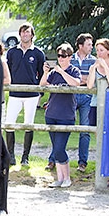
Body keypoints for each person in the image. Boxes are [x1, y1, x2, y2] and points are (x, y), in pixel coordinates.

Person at [40, 43, 81, 188]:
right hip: (51, 114)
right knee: (55, 148)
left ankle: (67, 177)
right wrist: (45, 72)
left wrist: (62, 72)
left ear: (70, 57)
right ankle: (60, 178)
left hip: (66, 115)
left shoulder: (74, 70)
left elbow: (76, 83)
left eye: (63, 56)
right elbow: (42, 84)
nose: (61, 59)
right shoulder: (53, 73)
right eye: (59, 56)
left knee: (59, 148)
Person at [5, 23, 45, 166]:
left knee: (29, 124)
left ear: (32, 35)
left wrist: (40, 93)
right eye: (22, 32)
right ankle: (10, 155)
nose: (25, 35)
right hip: (14, 94)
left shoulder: (38, 53)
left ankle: (25, 157)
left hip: (31, 95)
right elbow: (7, 71)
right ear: (19, 34)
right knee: (9, 124)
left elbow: (42, 74)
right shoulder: (12, 52)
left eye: (27, 32)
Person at [67, 33, 96, 173]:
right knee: (63, 127)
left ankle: (82, 162)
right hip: (70, 97)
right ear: (80, 46)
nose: (91, 47)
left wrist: (78, 79)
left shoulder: (94, 61)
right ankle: (54, 159)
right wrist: (81, 79)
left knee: (85, 130)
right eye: (89, 44)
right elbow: (68, 77)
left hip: (86, 98)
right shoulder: (69, 59)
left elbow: (91, 80)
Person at [87, 39, 109, 127]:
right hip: (96, 103)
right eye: (97, 50)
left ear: (108, 51)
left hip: (107, 102)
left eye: (102, 50)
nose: (99, 53)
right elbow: (89, 86)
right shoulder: (93, 67)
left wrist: (105, 67)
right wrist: (93, 69)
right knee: (96, 129)